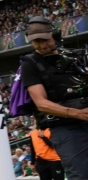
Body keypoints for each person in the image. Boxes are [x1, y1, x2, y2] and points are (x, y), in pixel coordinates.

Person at [18, 16, 88, 178]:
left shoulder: (73, 56)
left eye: (46, 40)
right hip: (66, 128)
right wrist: (79, 113)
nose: (43, 45)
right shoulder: (30, 64)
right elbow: (41, 103)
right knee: (80, 174)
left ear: (54, 34)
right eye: (37, 42)